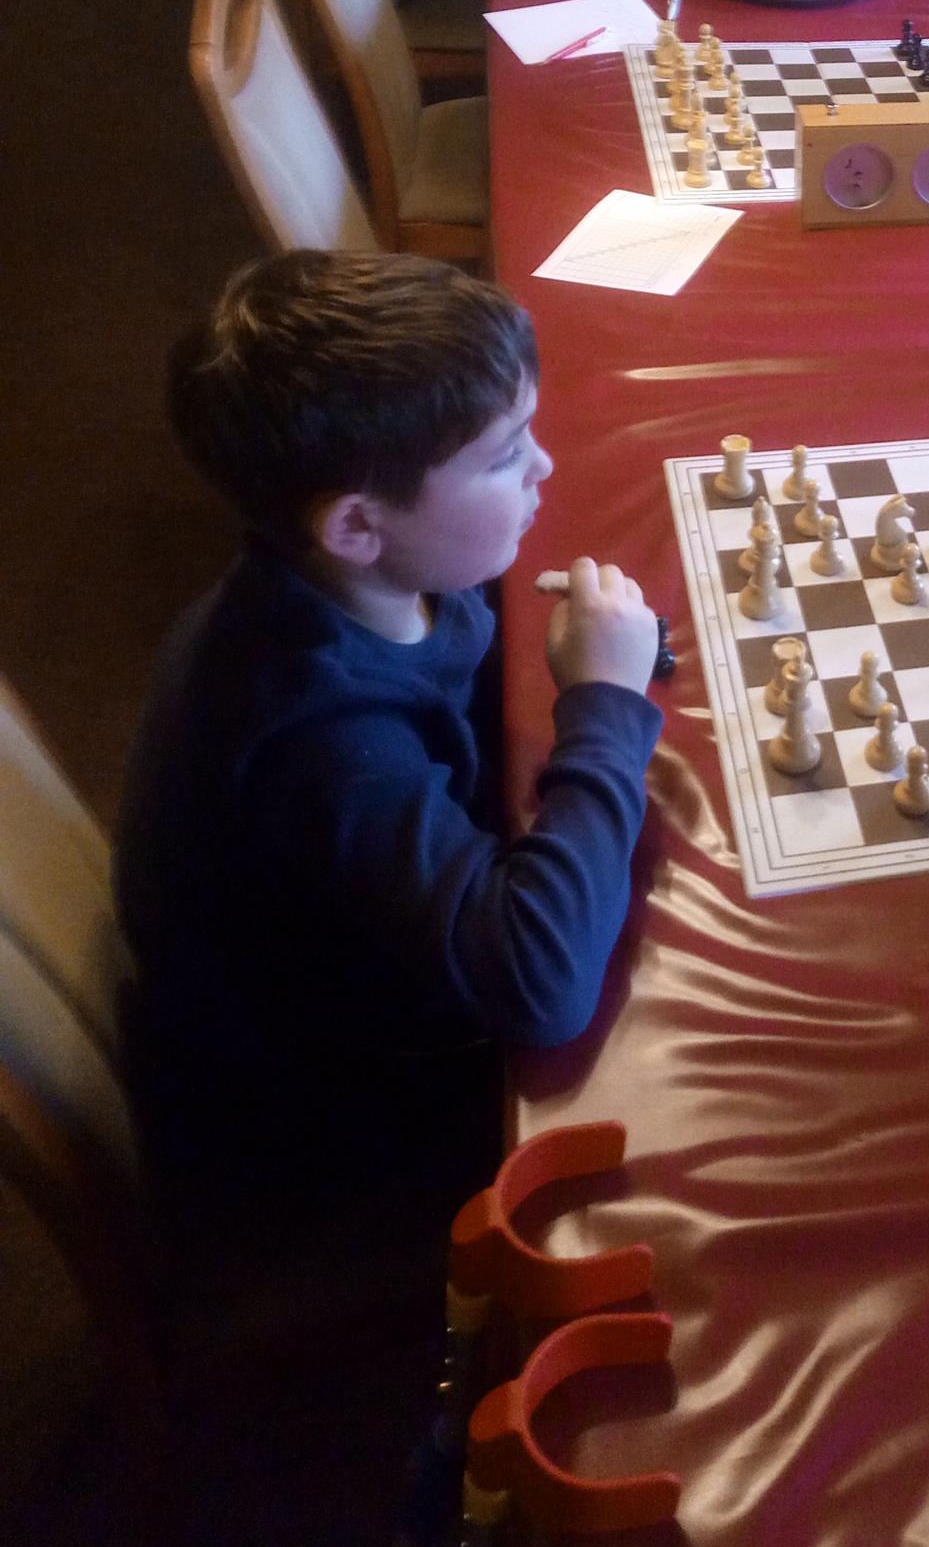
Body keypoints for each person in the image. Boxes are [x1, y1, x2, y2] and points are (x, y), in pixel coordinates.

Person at [114, 249, 664, 1188]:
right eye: (505, 454)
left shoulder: (382, 578)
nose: (544, 464)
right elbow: (542, 987)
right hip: (327, 1108)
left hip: (372, 951)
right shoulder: (316, 733)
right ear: (357, 526)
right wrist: (605, 704)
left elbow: (461, 656)